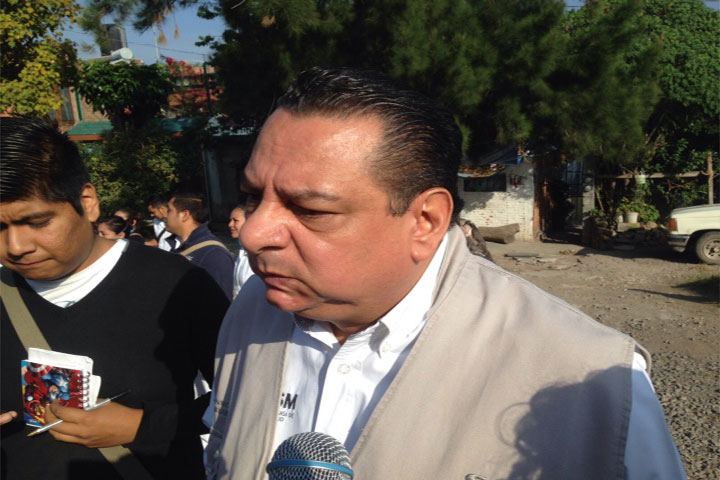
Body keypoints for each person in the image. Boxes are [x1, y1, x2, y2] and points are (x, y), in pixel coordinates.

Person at [204, 67, 686, 479]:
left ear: (426, 221)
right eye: (253, 197)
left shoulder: (592, 379)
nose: (253, 233)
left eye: (309, 209)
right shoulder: (250, 311)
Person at [0, 116, 230, 479]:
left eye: (38, 222)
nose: (16, 246)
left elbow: (247, 398)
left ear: (87, 202)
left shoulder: (179, 285)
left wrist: (143, 425)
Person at [165, 193, 234, 300]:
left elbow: (220, 303)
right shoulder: (177, 245)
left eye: (169, 210)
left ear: (184, 215)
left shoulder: (214, 254)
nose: (165, 215)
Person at [227, 205, 254, 298]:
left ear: (249, 222)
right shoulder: (242, 251)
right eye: (230, 220)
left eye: (235, 220)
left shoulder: (258, 255)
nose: (230, 224)